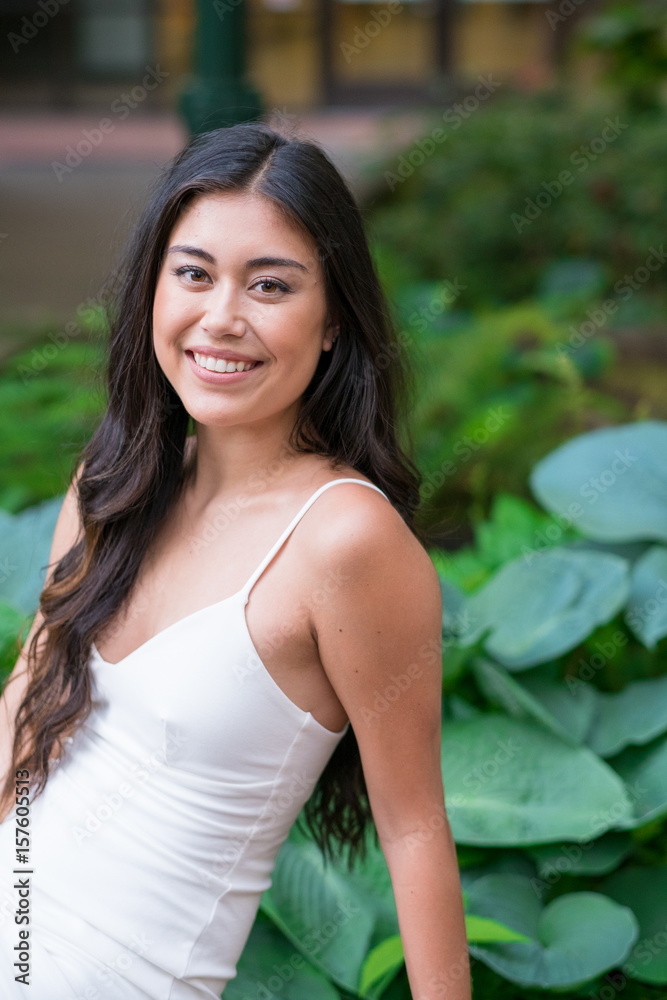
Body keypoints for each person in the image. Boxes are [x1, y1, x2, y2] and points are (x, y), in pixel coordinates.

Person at [0, 122, 470, 1000]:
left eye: (269, 285)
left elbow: (413, 830)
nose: (222, 317)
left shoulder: (344, 542)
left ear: (332, 321)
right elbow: (26, 712)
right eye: (193, 273)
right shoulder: (114, 486)